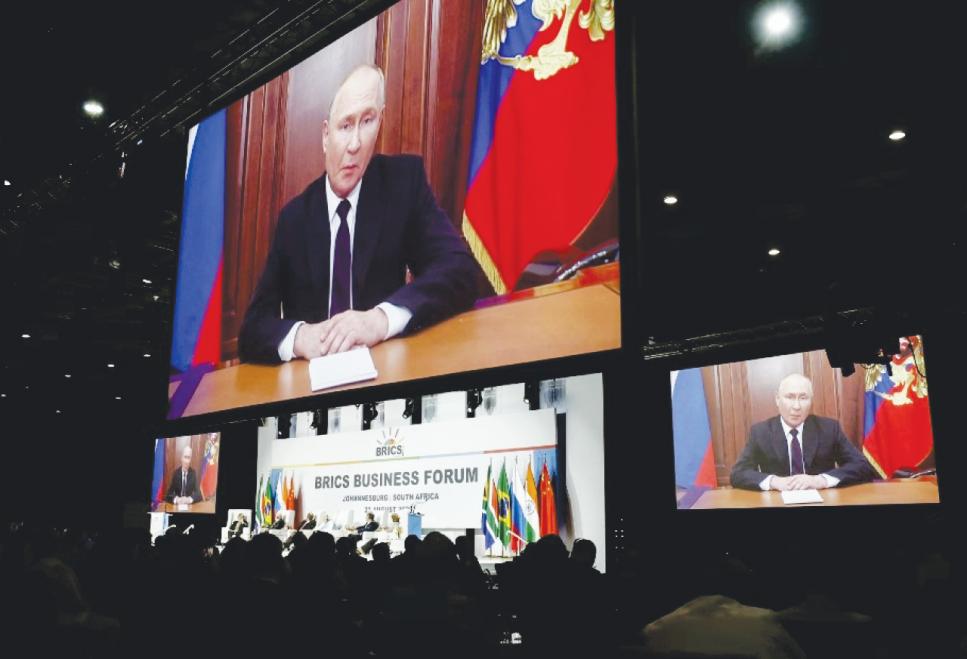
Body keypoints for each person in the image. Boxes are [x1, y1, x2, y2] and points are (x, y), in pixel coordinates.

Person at [238, 64, 478, 364]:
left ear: (381, 122)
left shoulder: (403, 183)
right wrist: (300, 337)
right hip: (311, 381)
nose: (355, 144)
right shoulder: (293, 219)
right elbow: (253, 329)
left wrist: (380, 319)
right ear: (326, 135)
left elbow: (460, 270)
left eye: (367, 121)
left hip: (386, 371)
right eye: (345, 126)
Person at [730, 374, 878, 491]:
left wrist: (820, 480)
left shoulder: (829, 428)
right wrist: (774, 481)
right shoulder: (760, 432)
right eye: (789, 397)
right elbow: (738, 473)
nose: (796, 406)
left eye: (803, 398)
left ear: (811, 401)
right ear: (777, 399)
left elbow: (863, 466)